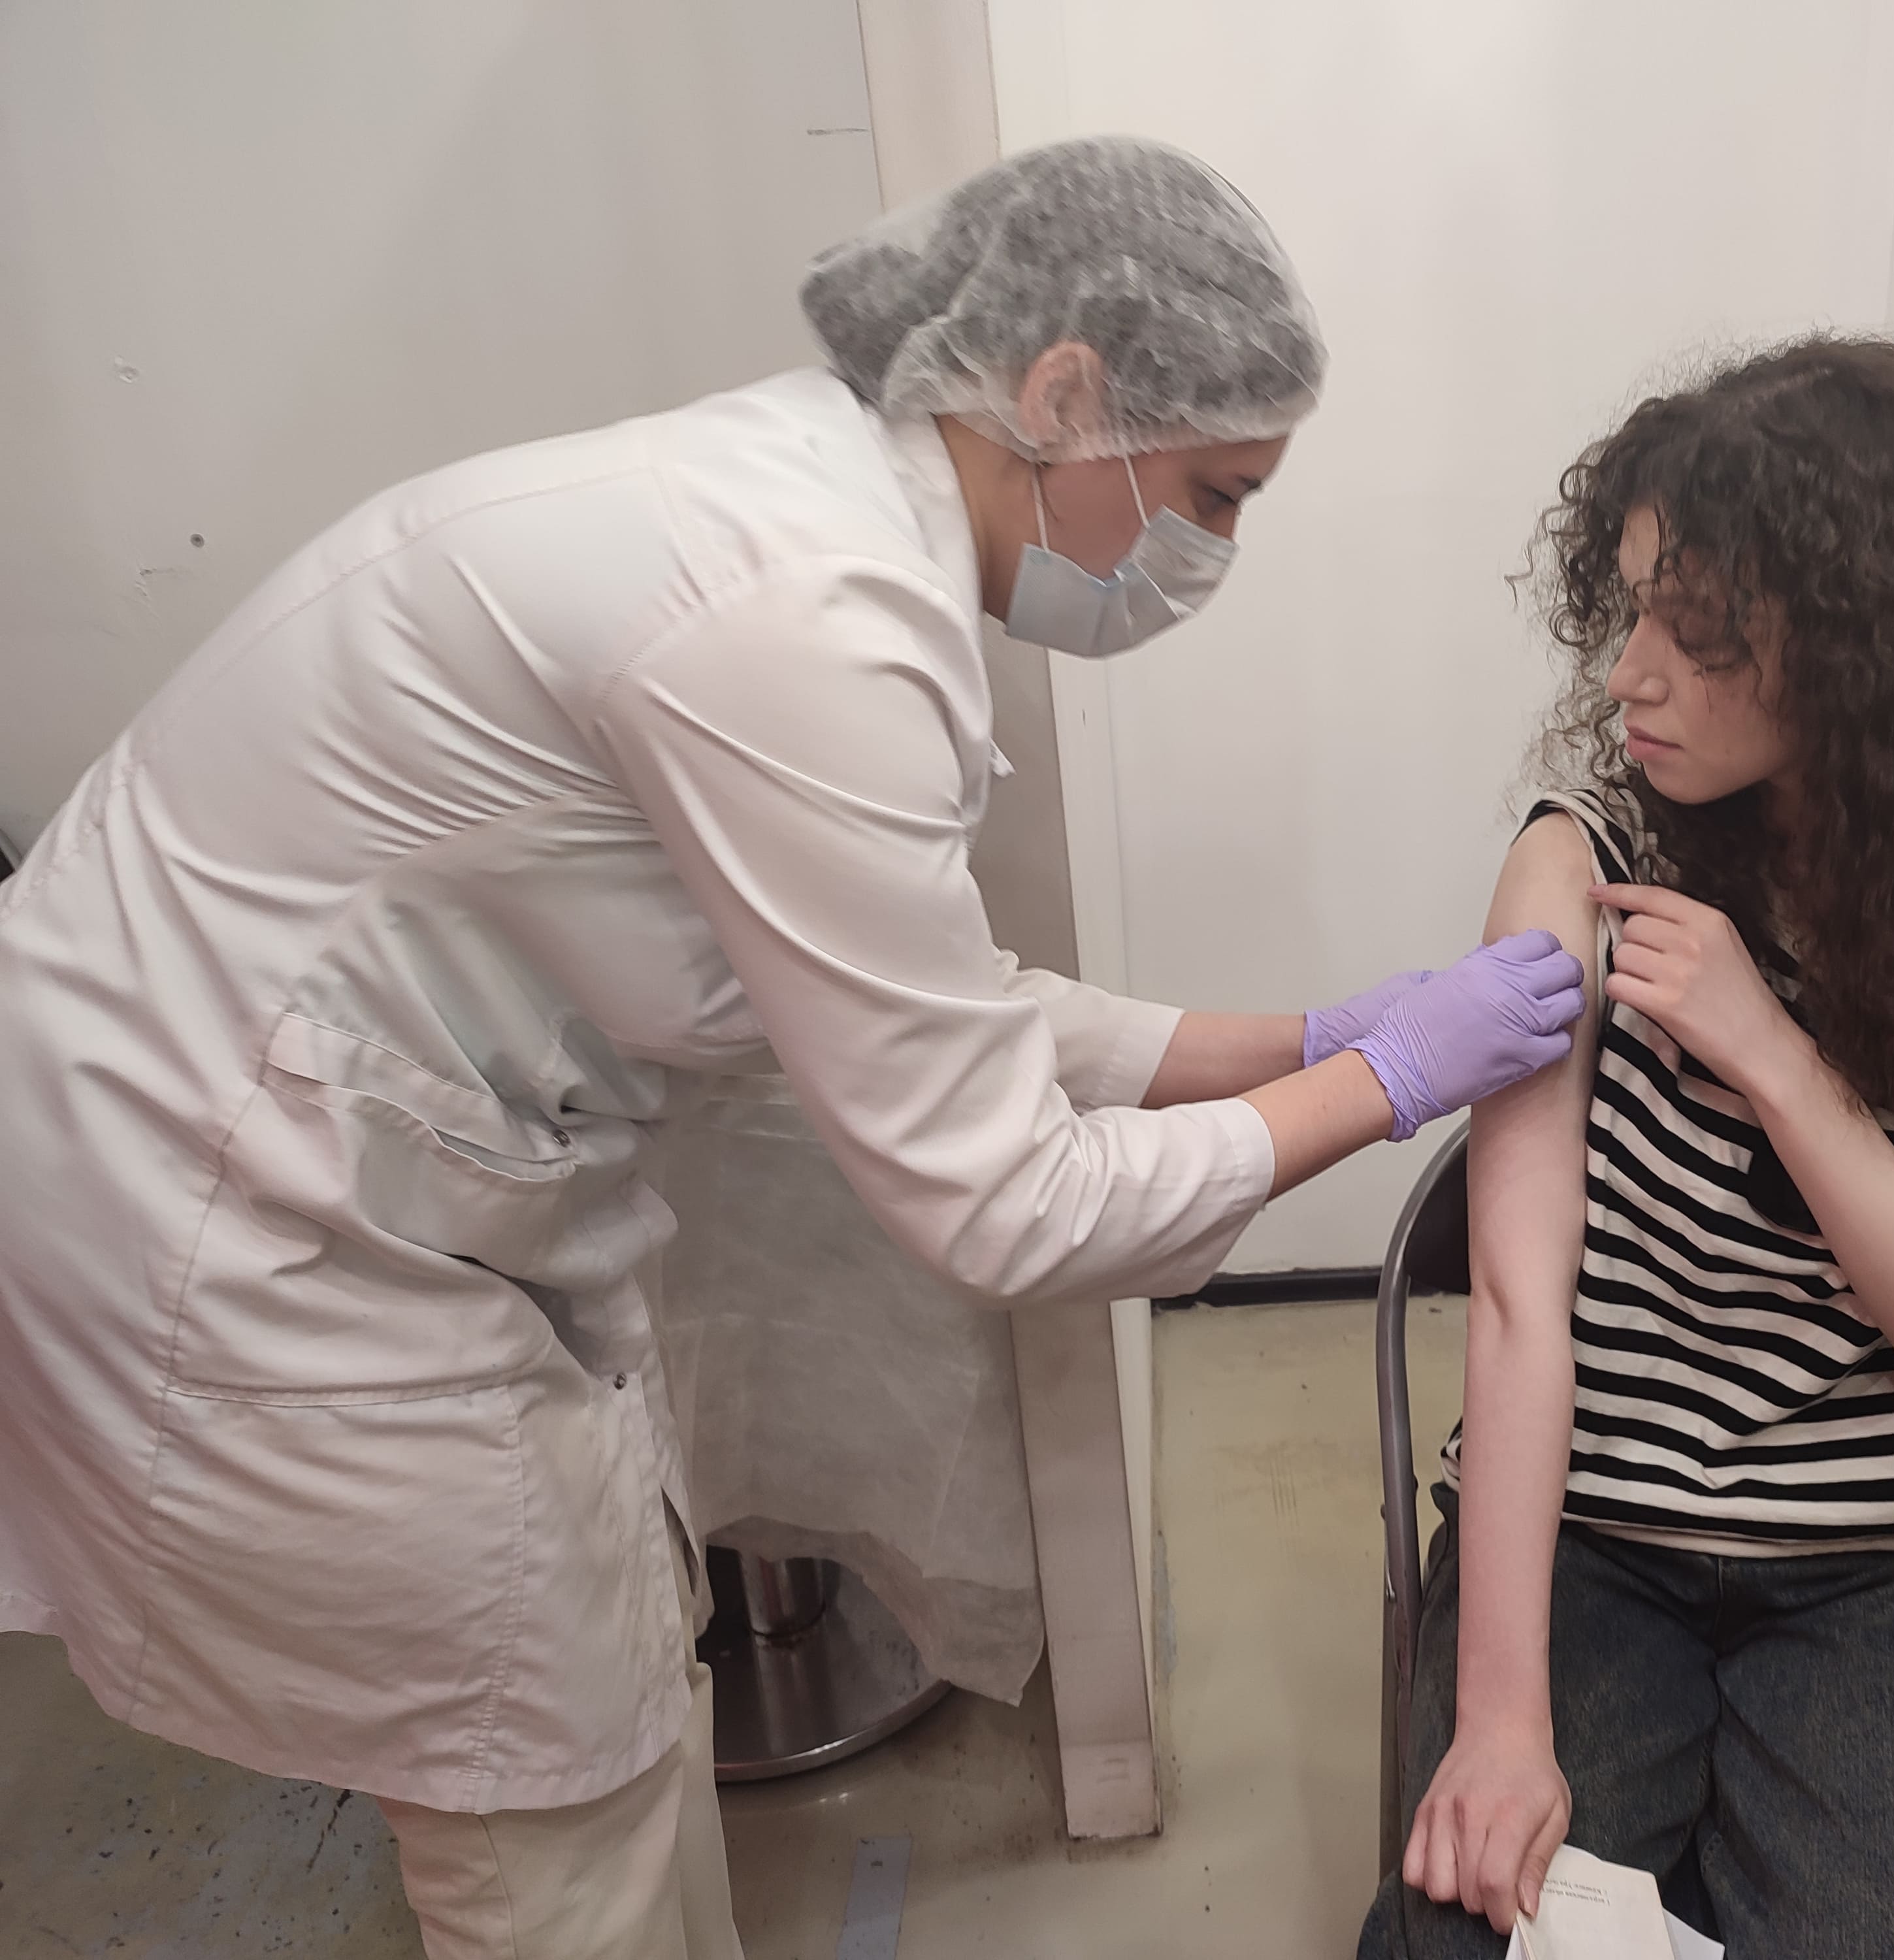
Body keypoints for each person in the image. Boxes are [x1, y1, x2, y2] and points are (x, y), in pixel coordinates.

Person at [0, 138, 1580, 1960]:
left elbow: (926, 994)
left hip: (306, 1141)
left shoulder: (801, 511)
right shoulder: (809, 614)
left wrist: (1294, 1040)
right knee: (544, 1809)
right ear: (1065, 393)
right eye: (1214, 495)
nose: (1211, 552)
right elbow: (1009, 1206)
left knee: (601, 1715)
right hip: (222, 1215)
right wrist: (1379, 1086)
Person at [1362, 336, 1894, 1960]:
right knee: (1471, 1935)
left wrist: (1772, 1061)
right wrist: (1499, 1721)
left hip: (1884, 1559)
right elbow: (1521, 1305)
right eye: (1627, 613)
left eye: (1696, 635)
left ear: (1873, 656)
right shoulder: (1590, 860)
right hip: (1592, 1524)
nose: (1626, 678)